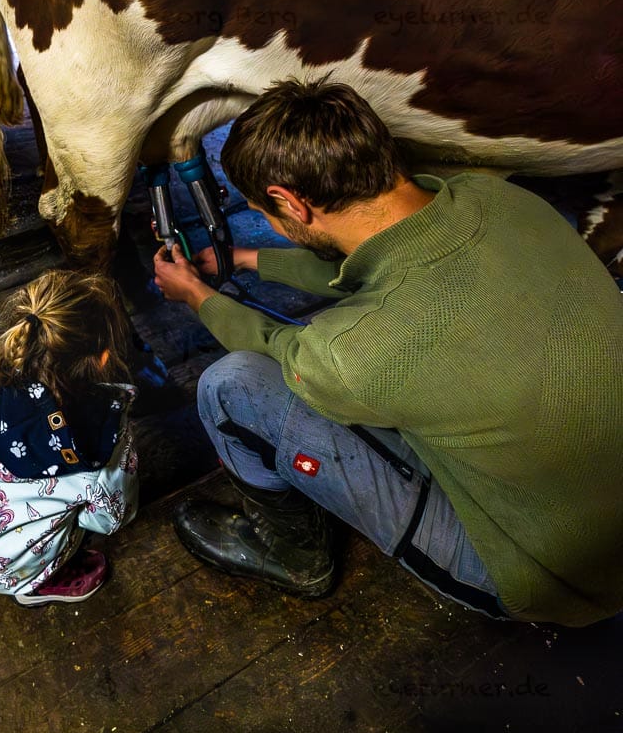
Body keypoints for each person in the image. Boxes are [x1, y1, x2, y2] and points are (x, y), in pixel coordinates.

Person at [152, 78, 623, 627]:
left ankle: (294, 555)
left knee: (230, 387)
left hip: (557, 578)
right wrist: (252, 257)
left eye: (264, 211)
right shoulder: (497, 198)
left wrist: (197, 297)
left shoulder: (356, 355)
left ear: (289, 202)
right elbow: (383, 262)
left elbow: (274, 345)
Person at [0, 270, 140, 606]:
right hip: (7, 570)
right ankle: (38, 585)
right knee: (82, 519)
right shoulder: (100, 444)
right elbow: (112, 519)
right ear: (103, 358)